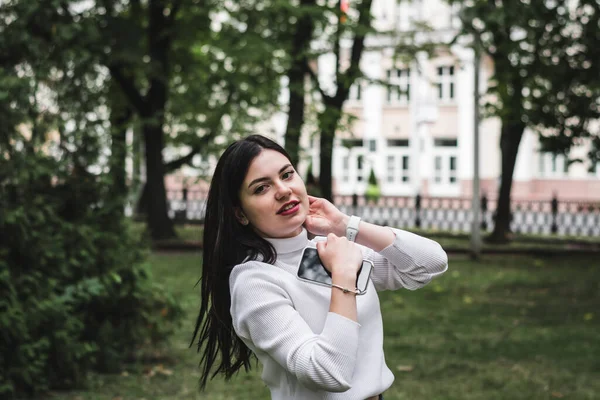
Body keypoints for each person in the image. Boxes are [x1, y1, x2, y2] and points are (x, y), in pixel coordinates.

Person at [191, 135, 448, 400]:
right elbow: (327, 373)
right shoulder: (255, 281)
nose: (282, 190)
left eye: (287, 175)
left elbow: (429, 264)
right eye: (261, 188)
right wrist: (344, 276)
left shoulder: (331, 249)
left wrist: (346, 225)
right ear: (240, 213)